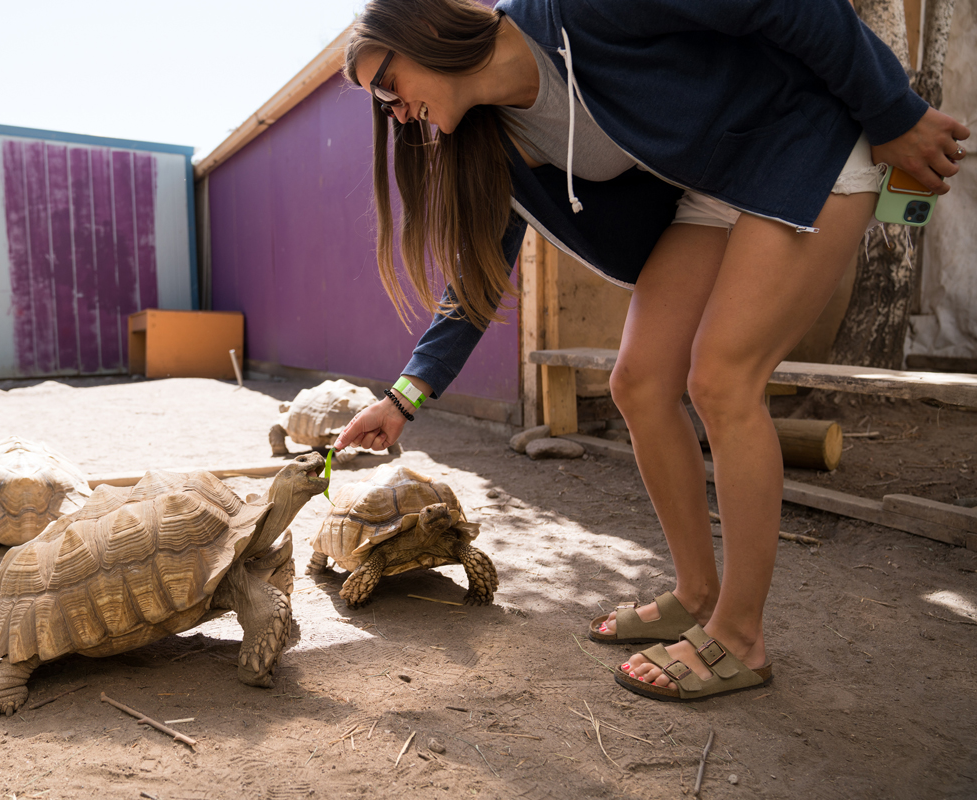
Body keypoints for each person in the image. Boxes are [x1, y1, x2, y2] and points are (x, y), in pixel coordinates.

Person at [331, 0, 969, 701]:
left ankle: (740, 637)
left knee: (723, 380)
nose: (392, 113)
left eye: (386, 86)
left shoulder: (576, 11)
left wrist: (894, 114)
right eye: (378, 105)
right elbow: (475, 282)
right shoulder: (491, 142)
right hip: (715, 187)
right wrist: (403, 398)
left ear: (428, 27)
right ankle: (698, 593)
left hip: (797, 138)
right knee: (637, 382)